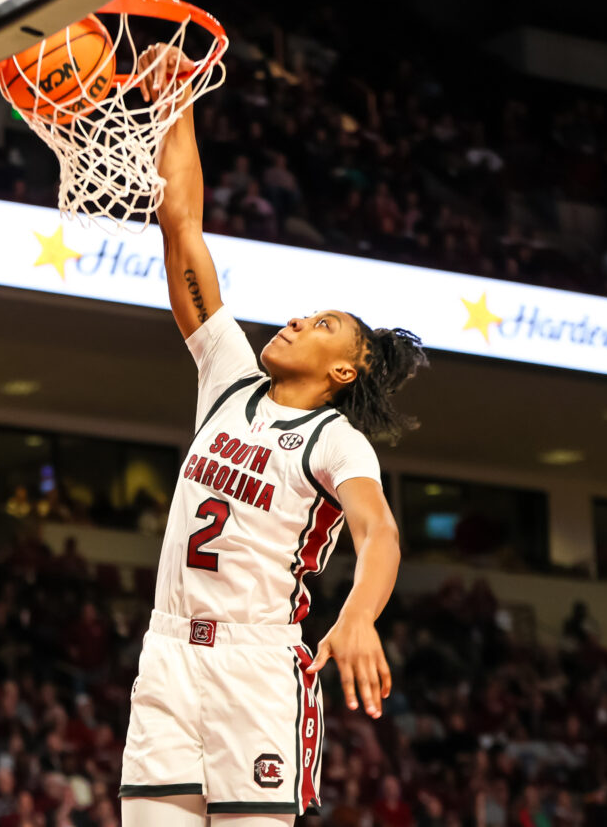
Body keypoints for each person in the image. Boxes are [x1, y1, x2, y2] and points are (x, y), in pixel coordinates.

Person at [118, 47, 426, 826]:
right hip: (167, 652)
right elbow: (181, 224)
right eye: (302, 313)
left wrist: (359, 613)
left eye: (320, 324)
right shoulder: (228, 377)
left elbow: (378, 531)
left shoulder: (335, 441)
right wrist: (175, 104)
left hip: (254, 665)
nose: (295, 320)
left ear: (346, 370)